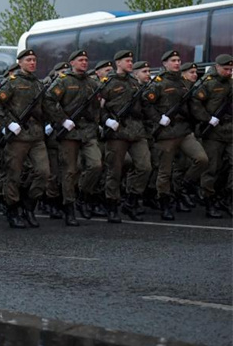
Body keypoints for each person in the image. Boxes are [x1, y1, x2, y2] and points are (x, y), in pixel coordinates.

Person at [142, 50, 208, 220]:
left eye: (178, 60)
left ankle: (183, 186)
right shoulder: (159, 83)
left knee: (201, 159)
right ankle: (165, 203)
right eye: (173, 60)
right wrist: (158, 119)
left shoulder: (184, 82)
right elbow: (145, 102)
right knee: (165, 172)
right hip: (166, 133)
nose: (177, 63)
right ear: (165, 63)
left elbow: (193, 104)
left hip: (184, 131)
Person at [44, 50, 103, 226]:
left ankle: (83, 195)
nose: (84, 62)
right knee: (70, 171)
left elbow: (96, 107)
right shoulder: (63, 81)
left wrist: (96, 123)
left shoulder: (92, 83)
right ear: (72, 63)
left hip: (88, 131)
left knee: (96, 165)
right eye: (80, 60)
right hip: (69, 132)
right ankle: (69, 207)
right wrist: (62, 120)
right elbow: (48, 100)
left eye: (86, 59)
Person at [0, 50, 50, 228]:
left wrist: (55, 122)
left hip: (36, 135)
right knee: (14, 175)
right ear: (20, 62)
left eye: (34, 60)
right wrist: (7, 124)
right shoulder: (11, 82)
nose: (32, 63)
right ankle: (12, 210)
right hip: (17, 136)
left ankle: (29, 205)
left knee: (43, 172)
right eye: (28, 60)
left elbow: (47, 107)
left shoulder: (38, 84)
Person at [99, 50, 152, 222]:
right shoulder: (107, 83)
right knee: (114, 171)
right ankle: (112, 205)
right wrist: (107, 121)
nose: (130, 63)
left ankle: (131, 201)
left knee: (145, 167)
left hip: (137, 131)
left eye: (131, 60)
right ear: (118, 63)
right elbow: (98, 108)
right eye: (127, 61)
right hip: (117, 133)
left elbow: (145, 106)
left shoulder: (135, 83)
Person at [191, 54, 232, 217]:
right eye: (226, 69)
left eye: (231, 69)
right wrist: (207, 119)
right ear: (217, 67)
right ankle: (209, 201)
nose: (229, 72)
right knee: (211, 168)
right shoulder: (207, 83)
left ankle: (228, 198)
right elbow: (195, 103)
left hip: (230, 130)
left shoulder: (231, 83)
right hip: (213, 132)